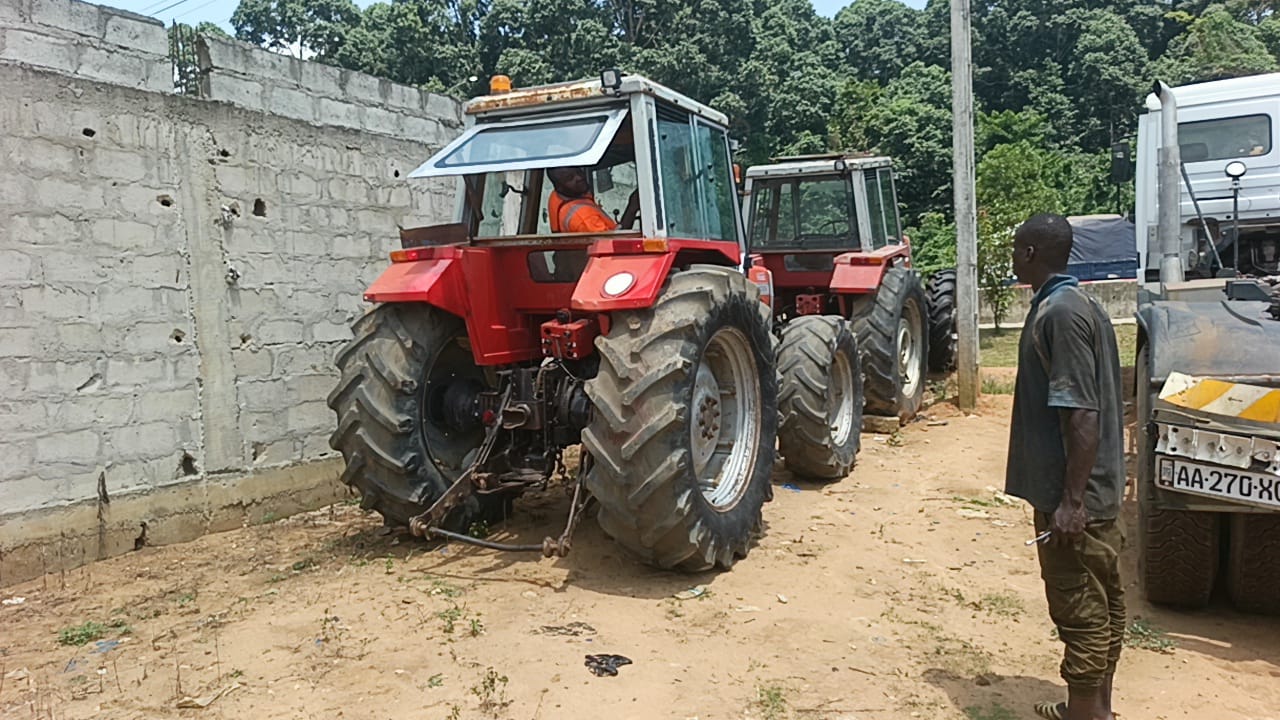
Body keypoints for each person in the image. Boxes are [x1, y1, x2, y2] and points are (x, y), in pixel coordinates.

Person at [1004, 214, 1126, 720]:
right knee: (1104, 602)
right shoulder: (1080, 305)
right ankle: (1096, 708)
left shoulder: (1058, 313)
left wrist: (1070, 502)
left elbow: (1081, 413)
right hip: (1092, 492)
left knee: (1079, 609)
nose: (1013, 257)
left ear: (1031, 253)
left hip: (1075, 498)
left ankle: (1085, 714)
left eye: (1016, 249)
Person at [547, 166, 639, 233]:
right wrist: (632, 208)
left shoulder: (559, 196)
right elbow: (613, 245)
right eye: (570, 178)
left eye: (579, 172)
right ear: (559, 187)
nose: (579, 178)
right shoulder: (584, 217)